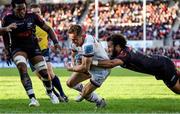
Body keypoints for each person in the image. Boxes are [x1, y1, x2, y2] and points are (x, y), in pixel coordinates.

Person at [2, 0, 60, 107]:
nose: (22, 11)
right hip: (17, 48)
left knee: (44, 73)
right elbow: (4, 34)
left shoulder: (32, 16)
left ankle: (50, 92)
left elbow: (48, 29)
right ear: (13, 8)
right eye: (19, 9)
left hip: (33, 48)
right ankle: (33, 98)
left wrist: (56, 42)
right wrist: (7, 48)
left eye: (23, 8)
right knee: (22, 67)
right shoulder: (8, 18)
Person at [92, 33, 180, 94]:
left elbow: (110, 64)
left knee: (178, 90)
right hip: (159, 67)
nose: (108, 49)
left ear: (118, 46)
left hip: (163, 66)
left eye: (109, 47)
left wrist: (92, 62)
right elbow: (106, 59)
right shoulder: (121, 53)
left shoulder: (125, 54)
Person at [65, 24, 110, 108]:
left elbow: (85, 67)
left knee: (84, 95)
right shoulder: (75, 43)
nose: (73, 42)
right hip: (90, 66)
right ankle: (87, 92)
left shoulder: (88, 45)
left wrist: (71, 68)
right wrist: (74, 64)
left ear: (82, 36)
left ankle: (99, 102)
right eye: (71, 39)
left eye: (75, 39)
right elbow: (73, 55)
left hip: (101, 69)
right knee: (70, 83)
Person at [30, 4, 68, 102]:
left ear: (41, 13)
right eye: (34, 12)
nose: (36, 14)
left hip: (44, 51)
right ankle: (54, 94)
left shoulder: (45, 24)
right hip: (31, 54)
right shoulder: (27, 26)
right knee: (42, 77)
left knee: (50, 73)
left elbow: (51, 33)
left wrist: (55, 43)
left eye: (38, 12)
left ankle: (62, 94)